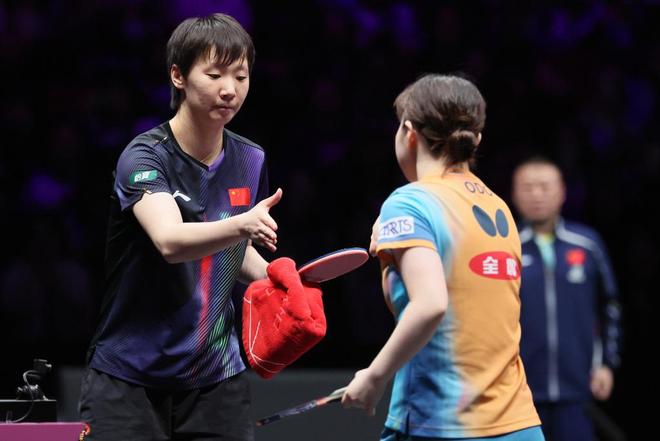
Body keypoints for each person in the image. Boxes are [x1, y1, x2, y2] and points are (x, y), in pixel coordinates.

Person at [79, 13, 282, 441]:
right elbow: (170, 241)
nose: (230, 89)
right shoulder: (144, 157)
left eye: (241, 76)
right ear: (178, 76)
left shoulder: (251, 159)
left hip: (216, 378)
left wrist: (277, 279)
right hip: (129, 378)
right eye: (214, 74)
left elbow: (231, 245)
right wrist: (243, 225)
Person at [342, 74, 544, 440]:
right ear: (476, 139)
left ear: (408, 133)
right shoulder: (498, 207)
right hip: (519, 425)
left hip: (440, 422)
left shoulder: (410, 201)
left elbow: (430, 304)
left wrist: (374, 376)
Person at [511, 157, 622, 441]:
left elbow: (610, 306)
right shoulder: (506, 247)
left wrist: (606, 364)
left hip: (578, 387)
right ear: (514, 194)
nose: (537, 194)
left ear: (562, 192)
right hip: (519, 391)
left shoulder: (587, 244)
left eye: (545, 186)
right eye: (528, 187)